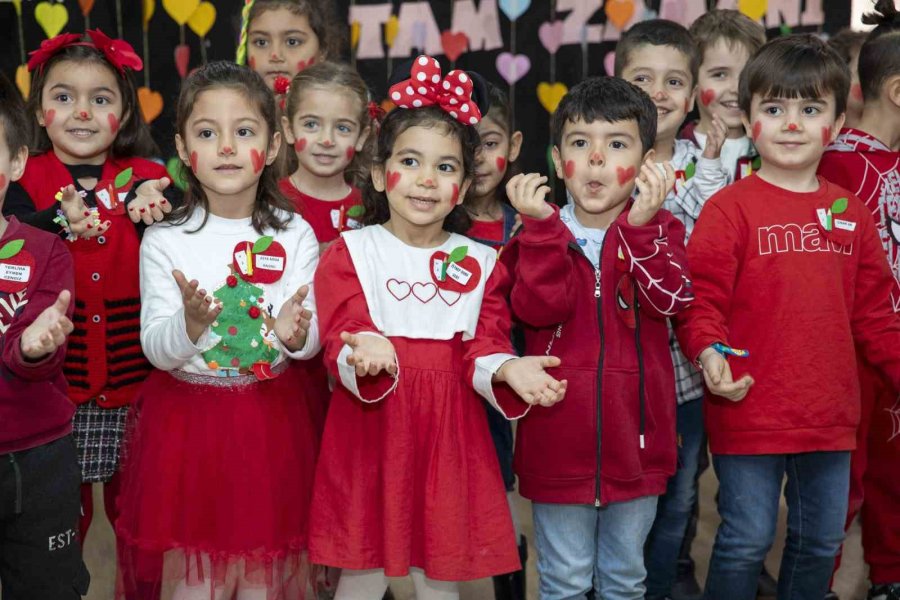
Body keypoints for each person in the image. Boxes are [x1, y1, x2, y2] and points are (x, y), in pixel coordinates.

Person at [309, 55, 567, 600]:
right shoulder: (351, 252)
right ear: (380, 173)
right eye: (410, 161)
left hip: (449, 438)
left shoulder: (480, 261)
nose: (427, 180)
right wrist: (365, 351)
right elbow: (341, 330)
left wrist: (510, 368)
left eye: (446, 168)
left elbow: (486, 345)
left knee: (438, 572)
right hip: (371, 433)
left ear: (465, 184)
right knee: (362, 570)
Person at [675, 35, 900, 600]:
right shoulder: (729, 209)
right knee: (747, 538)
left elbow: (876, 315)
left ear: (838, 120)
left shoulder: (849, 212)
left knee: (821, 541)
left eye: (809, 109)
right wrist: (709, 354)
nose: (791, 124)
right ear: (749, 119)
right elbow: (701, 302)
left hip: (829, 414)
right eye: (774, 109)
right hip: (747, 409)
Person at [115, 61, 321, 600]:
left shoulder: (295, 233)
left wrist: (291, 334)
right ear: (183, 150)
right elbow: (156, 349)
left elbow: (309, 335)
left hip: (270, 423)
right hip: (187, 430)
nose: (226, 147)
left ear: (274, 146)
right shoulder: (165, 240)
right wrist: (189, 326)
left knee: (261, 576)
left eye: (244, 132)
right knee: (193, 582)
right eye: (208, 133)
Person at [502, 75, 690, 600]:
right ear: (558, 156)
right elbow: (537, 310)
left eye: (617, 144)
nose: (597, 160)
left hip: (639, 444)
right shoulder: (538, 231)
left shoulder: (663, 230)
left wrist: (642, 228)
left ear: (649, 161)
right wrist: (539, 233)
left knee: (625, 580)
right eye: (581, 144)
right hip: (557, 443)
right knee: (562, 581)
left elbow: (671, 302)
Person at [3, 29, 173, 547]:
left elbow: (184, 232)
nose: (81, 112)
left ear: (125, 111)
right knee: (58, 517)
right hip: (57, 393)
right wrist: (58, 218)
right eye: (63, 97)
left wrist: (157, 212)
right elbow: (9, 231)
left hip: (135, 385)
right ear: (38, 112)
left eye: (100, 99)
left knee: (139, 517)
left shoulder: (145, 175)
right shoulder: (23, 176)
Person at [614, 19, 731, 600]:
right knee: (622, 496)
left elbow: (711, 234)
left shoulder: (699, 160)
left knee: (680, 494)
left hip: (683, 375)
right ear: (616, 83)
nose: (657, 92)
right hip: (619, 366)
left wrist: (706, 167)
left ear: (690, 98)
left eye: (673, 81)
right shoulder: (605, 158)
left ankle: (659, 585)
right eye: (641, 77)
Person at [818, 3, 900, 598]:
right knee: (840, 485)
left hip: (893, 349)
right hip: (848, 354)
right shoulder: (840, 167)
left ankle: (890, 576)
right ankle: (813, 582)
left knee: (894, 474)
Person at [0, 71, 89, 600]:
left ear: (14, 164)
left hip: (40, 459)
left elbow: (40, 346)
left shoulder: (45, 250)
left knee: (50, 588)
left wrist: (35, 347)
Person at [682, 10, 767, 182]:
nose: (736, 88)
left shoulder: (771, 151)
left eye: (747, 75)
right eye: (720, 74)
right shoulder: (674, 153)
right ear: (692, 81)